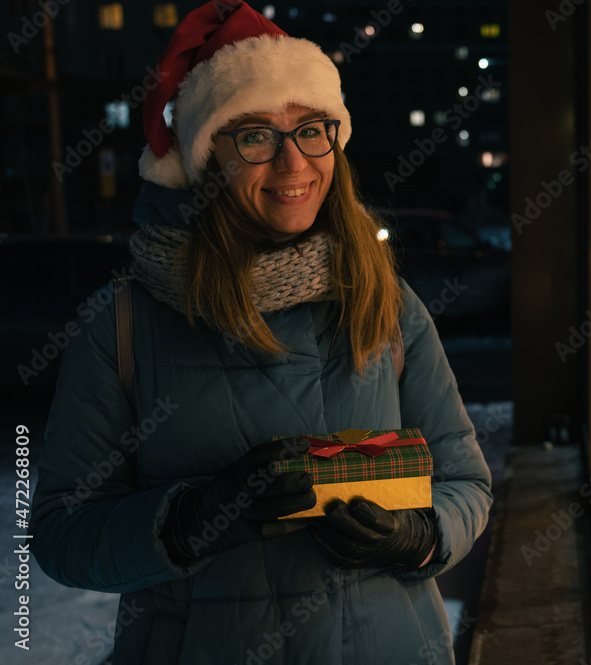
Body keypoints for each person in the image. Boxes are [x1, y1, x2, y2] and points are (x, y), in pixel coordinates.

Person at [29, 2, 493, 664]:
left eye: (311, 129)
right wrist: (188, 520)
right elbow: (61, 533)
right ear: (203, 158)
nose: (293, 164)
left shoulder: (383, 300)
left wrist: (418, 535)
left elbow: (465, 481)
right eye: (253, 135)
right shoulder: (122, 325)